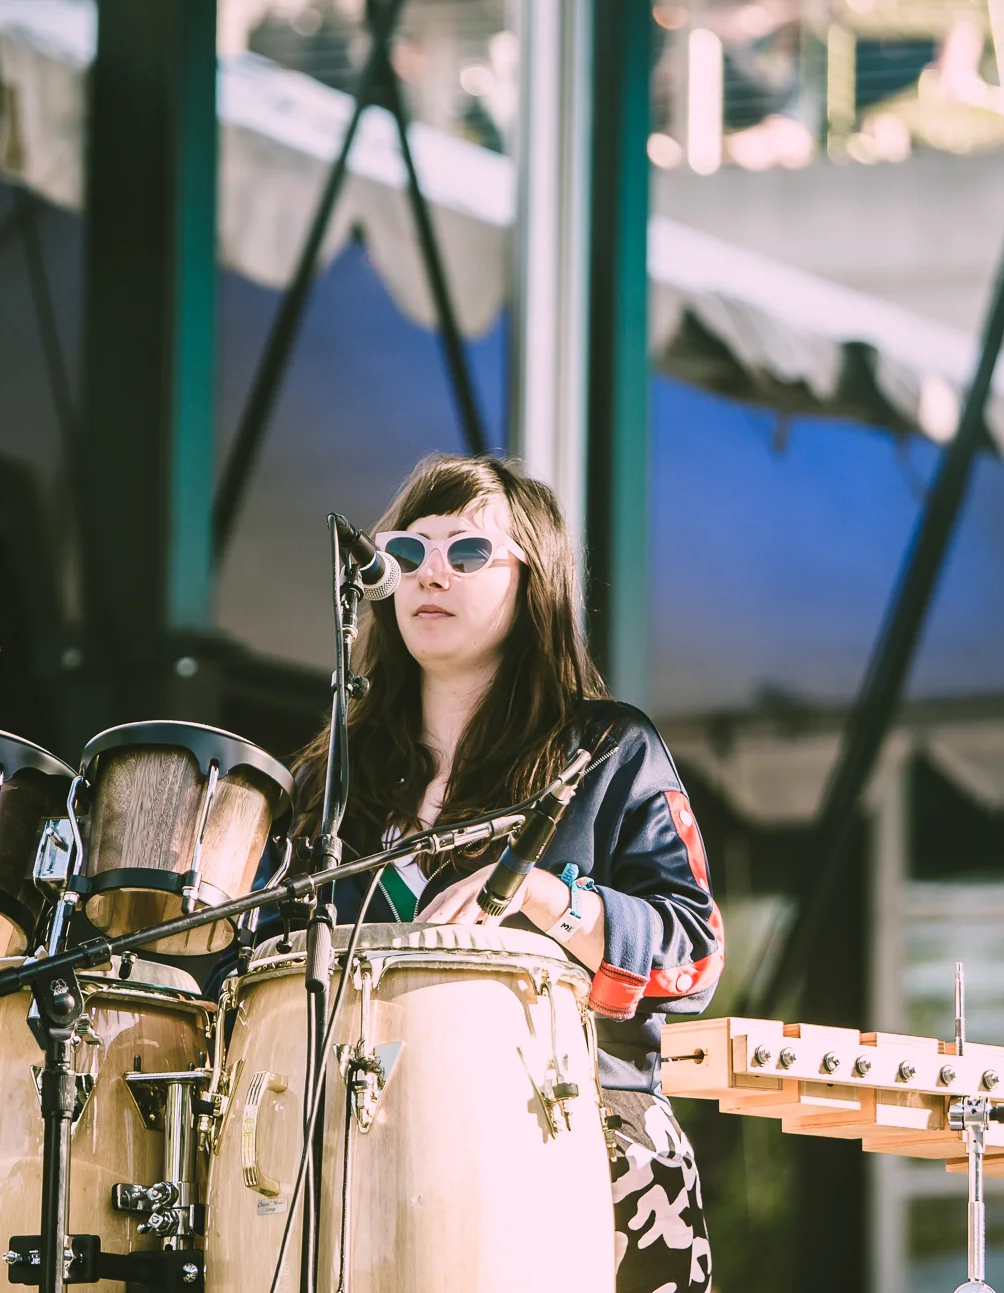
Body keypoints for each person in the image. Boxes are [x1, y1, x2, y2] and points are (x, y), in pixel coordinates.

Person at [262, 453, 723, 1292]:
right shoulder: (333, 776)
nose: (429, 573)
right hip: (357, 1158)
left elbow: (695, 955)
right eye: (407, 552)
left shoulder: (609, 751)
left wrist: (553, 898)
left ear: (533, 583)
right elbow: (256, 965)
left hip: (585, 1144)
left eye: (467, 553)